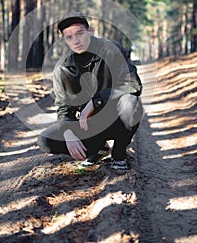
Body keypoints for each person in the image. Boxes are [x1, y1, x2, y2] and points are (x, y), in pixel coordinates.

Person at [37, 14, 143, 170]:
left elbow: (133, 84)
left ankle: (119, 154)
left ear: (90, 31)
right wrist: (67, 132)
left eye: (80, 33)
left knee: (131, 103)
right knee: (46, 140)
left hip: (116, 119)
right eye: (69, 37)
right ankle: (98, 149)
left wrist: (95, 102)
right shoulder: (63, 68)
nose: (76, 41)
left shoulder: (111, 50)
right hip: (89, 125)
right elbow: (63, 109)